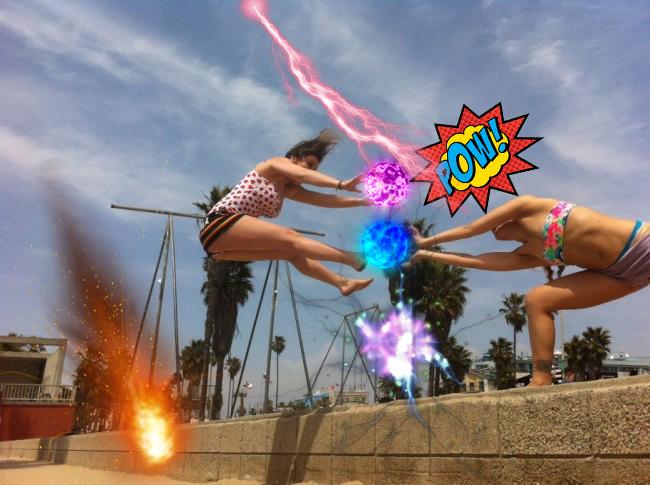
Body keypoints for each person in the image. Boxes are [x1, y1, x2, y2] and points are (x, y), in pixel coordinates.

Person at [408, 195, 649, 386]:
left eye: (493, 223)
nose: (493, 230)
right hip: (621, 277)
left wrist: (426, 241)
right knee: (537, 300)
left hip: (641, 242)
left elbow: (470, 229)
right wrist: (427, 254)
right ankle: (541, 378)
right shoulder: (528, 254)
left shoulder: (528, 205)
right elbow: (475, 260)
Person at [199, 129, 373, 296]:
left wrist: (360, 202)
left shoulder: (288, 189)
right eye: (309, 164)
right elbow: (303, 175)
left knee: (292, 253)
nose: (311, 172)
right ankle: (351, 258)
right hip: (219, 221)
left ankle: (342, 283)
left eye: (314, 170)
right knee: (291, 236)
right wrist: (341, 184)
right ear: (294, 158)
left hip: (220, 247)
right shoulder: (274, 164)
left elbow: (324, 200)